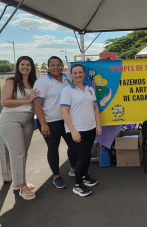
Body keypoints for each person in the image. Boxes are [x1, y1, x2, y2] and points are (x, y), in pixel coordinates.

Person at [0, 56, 40, 200]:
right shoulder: (12, 81)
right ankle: (22, 187)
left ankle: (18, 182)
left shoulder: (33, 82)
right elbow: (5, 101)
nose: (25, 67)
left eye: (28, 65)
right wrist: (27, 100)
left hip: (28, 120)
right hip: (11, 120)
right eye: (22, 64)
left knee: (23, 153)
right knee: (18, 153)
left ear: (32, 67)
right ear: (18, 66)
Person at [33, 56, 76, 189]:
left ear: (62, 66)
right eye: (52, 65)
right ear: (48, 66)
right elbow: (36, 103)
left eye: (58, 65)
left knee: (74, 145)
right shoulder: (42, 82)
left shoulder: (67, 79)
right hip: (50, 121)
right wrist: (43, 123)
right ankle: (56, 176)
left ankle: (73, 168)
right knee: (53, 148)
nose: (56, 67)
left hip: (66, 119)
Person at [60, 64, 102, 197]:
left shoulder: (89, 89)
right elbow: (64, 111)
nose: (78, 75)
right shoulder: (67, 90)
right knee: (82, 156)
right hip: (77, 130)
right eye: (75, 73)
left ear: (84, 74)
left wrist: (98, 125)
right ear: (71, 75)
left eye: (80, 72)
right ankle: (78, 185)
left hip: (90, 128)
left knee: (87, 155)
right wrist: (72, 130)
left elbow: (95, 108)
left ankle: (84, 176)